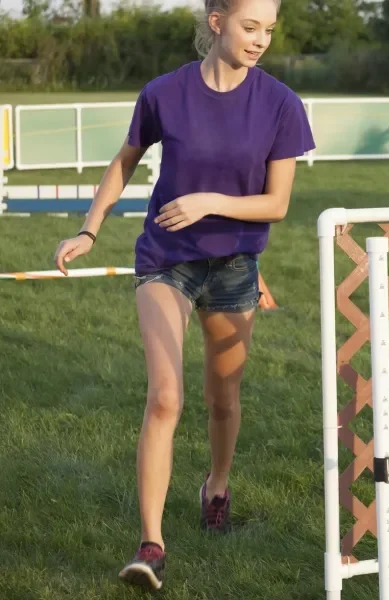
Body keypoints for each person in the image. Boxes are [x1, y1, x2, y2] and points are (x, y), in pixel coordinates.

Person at [51, 0, 315, 591]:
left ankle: (216, 486)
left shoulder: (280, 104)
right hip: (166, 262)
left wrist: (208, 202)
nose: (261, 40)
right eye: (251, 27)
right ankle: (151, 545)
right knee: (165, 397)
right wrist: (89, 228)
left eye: (269, 30)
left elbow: (276, 204)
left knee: (223, 399)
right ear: (216, 21)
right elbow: (124, 162)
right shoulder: (164, 93)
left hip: (235, 265)